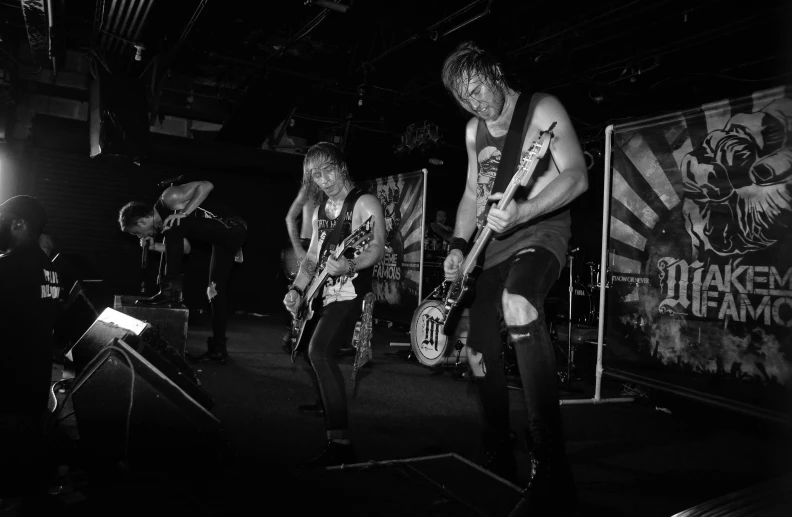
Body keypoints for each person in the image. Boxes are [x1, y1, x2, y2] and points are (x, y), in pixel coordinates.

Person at [441, 41, 588, 516]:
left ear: (496, 71)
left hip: (540, 229)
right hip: (489, 243)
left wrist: (524, 208)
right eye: (464, 98)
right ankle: (497, 453)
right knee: (478, 351)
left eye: (478, 89)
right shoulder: (473, 129)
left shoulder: (541, 109)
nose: (476, 103)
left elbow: (577, 176)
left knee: (519, 302)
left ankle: (551, 464)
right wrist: (459, 248)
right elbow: (469, 193)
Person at [283, 142, 385, 467]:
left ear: (341, 165)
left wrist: (350, 266)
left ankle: (340, 441)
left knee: (318, 352)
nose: (324, 179)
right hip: (323, 293)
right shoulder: (322, 210)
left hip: (352, 293)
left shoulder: (364, 202)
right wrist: (298, 290)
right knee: (312, 352)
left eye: (328, 170)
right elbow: (313, 257)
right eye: (316, 174)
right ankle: (332, 421)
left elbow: (377, 248)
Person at [118, 181, 247, 365]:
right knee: (214, 291)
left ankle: (169, 291)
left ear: (142, 221)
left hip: (231, 225)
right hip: (223, 240)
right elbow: (184, 249)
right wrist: (155, 246)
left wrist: (185, 213)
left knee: (175, 226)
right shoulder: (170, 225)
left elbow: (207, 185)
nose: (140, 237)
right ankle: (218, 349)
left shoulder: (168, 198)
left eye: (137, 233)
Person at [0, 195, 62, 509]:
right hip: (33, 373)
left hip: (7, 376)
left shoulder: (9, 267)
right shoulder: (48, 268)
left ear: (18, 224)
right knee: (26, 436)